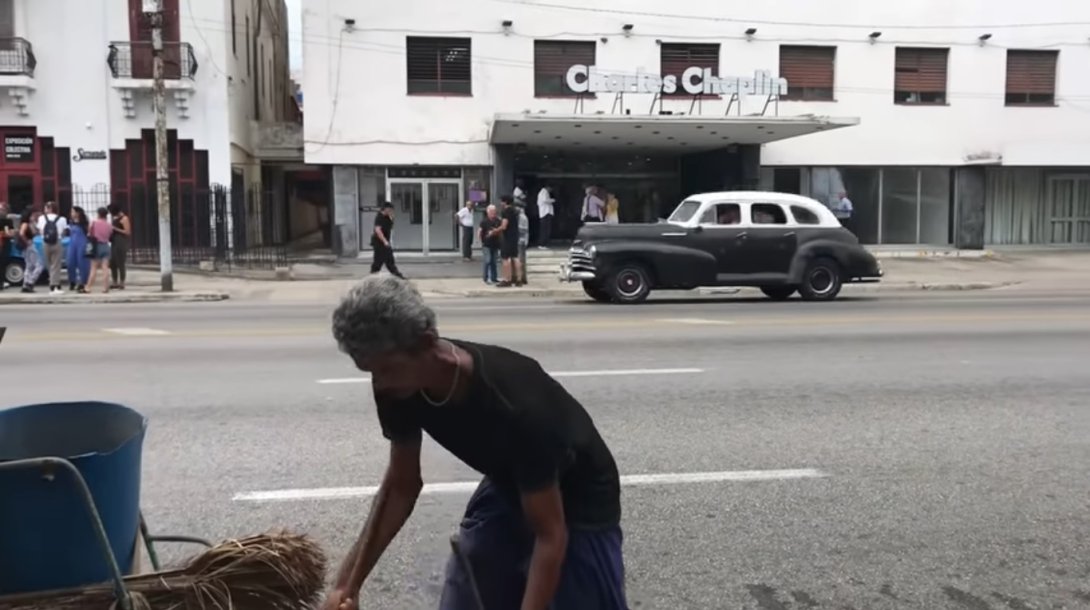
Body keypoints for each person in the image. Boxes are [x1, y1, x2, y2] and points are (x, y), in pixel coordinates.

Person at [323, 275, 627, 610]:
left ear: (427, 342)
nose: (379, 382)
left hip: (579, 497)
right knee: (468, 596)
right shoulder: (397, 386)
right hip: (509, 480)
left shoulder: (518, 406)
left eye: (386, 369)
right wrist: (347, 586)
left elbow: (550, 537)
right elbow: (401, 487)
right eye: (370, 371)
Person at [36, 201, 68, 294]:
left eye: (46, 207)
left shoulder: (41, 218)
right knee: (56, 264)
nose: (45, 209)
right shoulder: (62, 219)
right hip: (57, 242)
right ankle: (54, 286)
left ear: (49, 209)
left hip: (45, 242)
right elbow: (63, 232)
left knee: (49, 264)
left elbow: (41, 231)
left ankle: (53, 284)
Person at [370, 202, 404, 279]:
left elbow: (390, 226)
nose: (391, 211)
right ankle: (398, 276)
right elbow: (378, 230)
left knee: (380, 261)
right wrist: (385, 241)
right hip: (379, 242)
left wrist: (392, 218)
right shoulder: (379, 217)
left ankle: (373, 276)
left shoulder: (387, 217)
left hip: (385, 242)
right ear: (386, 209)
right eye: (390, 209)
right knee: (385, 260)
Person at [86, 207, 113, 294]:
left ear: (98, 214)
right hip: (105, 245)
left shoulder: (94, 223)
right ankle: (105, 287)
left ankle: (88, 287)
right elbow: (110, 234)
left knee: (93, 268)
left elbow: (89, 232)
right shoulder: (109, 225)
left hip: (96, 246)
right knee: (105, 268)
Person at [66, 206, 92, 293]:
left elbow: (89, 233)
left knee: (82, 263)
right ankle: (72, 281)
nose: (71, 214)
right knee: (70, 262)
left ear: (78, 213)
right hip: (72, 243)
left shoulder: (84, 223)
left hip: (82, 243)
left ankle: (82, 281)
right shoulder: (70, 222)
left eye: (73, 212)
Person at [17, 209, 44, 293]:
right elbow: (22, 233)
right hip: (30, 246)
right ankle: (30, 282)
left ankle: (26, 284)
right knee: (39, 265)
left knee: (29, 266)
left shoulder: (26, 224)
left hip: (27, 247)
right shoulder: (25, 224)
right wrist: (26, 241)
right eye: (32, 215)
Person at [497, 195, 521, 288]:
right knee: (515, 257)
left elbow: (504, 226)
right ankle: (519, 279)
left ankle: (507, 279)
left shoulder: (505, 211)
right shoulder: (515, 211)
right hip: (515, 236)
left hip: (507, 237)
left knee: (505, 258)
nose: (500, 203)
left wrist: (495, 230)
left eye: (502, 201)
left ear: (505, 202)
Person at [108, 204, 131, 290]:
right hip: (114, 241)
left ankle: (122, 282)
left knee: (120, 262)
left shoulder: (124, 218)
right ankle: (114, 281)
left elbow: (127, 232)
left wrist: (115, 228)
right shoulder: (115, 218)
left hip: (121, 241)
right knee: (113, 262)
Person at [479, 204, 501, 285]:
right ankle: (485, 278)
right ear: (488, 212)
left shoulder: (498, 220)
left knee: (494, 261)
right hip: (486, 244)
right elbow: (480, 231)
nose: (493, 213)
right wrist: (482, 241)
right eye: (491, 211)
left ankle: (494, 278)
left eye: (494, 211)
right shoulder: (484, 221)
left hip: (495, 244)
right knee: (487, 260)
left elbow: (501, 230)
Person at [536, 185, 555, 249]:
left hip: (545, 213)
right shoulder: (543, 192)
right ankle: (542, 244)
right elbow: (545, 200)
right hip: (545, 213)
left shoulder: (544, 192)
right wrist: (552, 200)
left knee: (546, 229)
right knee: (544, 229)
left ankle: (544, 243)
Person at [0, 201, 13, 291]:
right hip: (4, 243)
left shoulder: (8, 221)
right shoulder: (7, 221)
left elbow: (10, 233)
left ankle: (2, 281)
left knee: (3, 263)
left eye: (3, 209)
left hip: (4, 244)